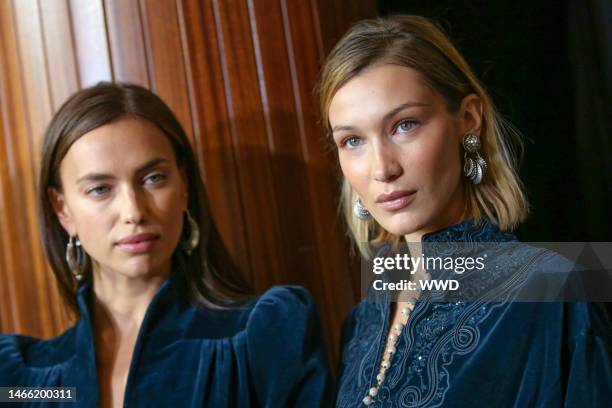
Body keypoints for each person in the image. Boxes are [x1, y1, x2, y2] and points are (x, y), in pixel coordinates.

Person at [318, 15, 612, 407]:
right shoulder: (364, 319)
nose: (382, 168)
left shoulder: (553, 292)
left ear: (469, 119)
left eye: (405, 125)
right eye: (352, 140)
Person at [0, 83, 332, 407]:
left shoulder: (264, 337)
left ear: (184, 183)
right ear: (62, 209)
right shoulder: (22, 381)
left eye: (153, 178)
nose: (133, 211)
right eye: (100, 189)